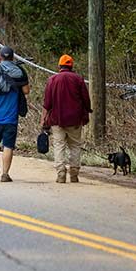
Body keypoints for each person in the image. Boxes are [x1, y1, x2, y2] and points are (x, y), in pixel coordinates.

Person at [0, 46, 30, 182]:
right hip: (11, 117)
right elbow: (26, 91)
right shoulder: (19, 71)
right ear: (13, 58)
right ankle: (5, 174)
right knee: (8, 145)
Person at [41, 54, 92, 183]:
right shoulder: (78, 79)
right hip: (75, 120)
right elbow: (86, 100)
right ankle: (74, 174)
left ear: (59, 66)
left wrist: (43, 120)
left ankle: (61, 174)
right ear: (71, 66)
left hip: (57, 120)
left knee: (59, 145)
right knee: (75, 146)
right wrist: (87, 112)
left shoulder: (52, 80)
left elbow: (47, 104)